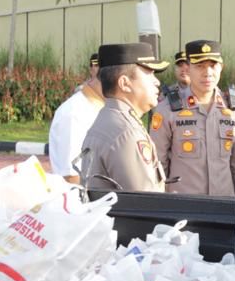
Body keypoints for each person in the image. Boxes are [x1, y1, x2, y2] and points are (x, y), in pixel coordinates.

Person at [150, 40, 235, 196]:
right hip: (183, 207)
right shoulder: (168, 109)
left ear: (221, 67)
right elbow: (158, 163)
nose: (208, 73)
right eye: (200, 66)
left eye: (213, 65)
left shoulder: (233, 108)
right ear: (188, 69)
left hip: (224, 205)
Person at [80, 43, 169, 192]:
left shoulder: (110, 119)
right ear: (124, 84)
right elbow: (148, 204)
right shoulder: (126, 133)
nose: (157, 81)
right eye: (149, 74)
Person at [48, 53, 105, 182]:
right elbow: (71, 175)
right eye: (94, 66)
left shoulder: (103, 108)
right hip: (83, 198)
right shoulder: (74, 113)